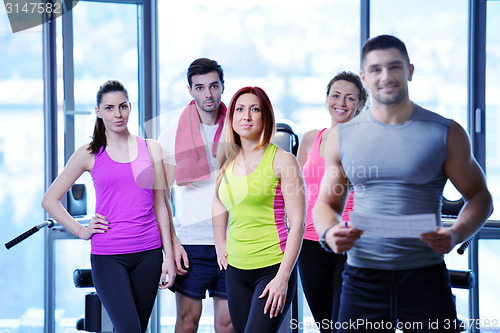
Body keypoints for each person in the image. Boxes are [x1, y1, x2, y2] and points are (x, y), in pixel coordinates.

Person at [313, 34, 493, 332]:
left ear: (409, 70)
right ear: (365, 77)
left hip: (424, 277)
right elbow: (326, 204)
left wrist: (455, 234)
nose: (385, 76)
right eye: (376, 69)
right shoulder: (342, 137)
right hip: (362, 277)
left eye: (394, 67)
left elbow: (480, 197)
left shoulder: (445, 132)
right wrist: (330, 232)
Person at [41, 80, 176, 333]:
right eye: (110, 108)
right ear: (98, 111)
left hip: (149, 253)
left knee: (137, 328)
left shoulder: (150, 148)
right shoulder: (90, 153)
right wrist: (81, 231)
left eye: (123, 106)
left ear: (130, 107)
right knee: (129, 329)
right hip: (108, 256)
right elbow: (49, 199)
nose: (118, 114)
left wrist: (168, 254)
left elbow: (161, 204)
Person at [213, 86, 305, 333]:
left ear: (266, 116)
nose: (246, 116)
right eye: (240, 109)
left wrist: (283, 278)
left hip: (272, 267)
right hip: (236, 270)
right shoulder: (227, 162)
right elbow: (219, 201)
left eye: (255, 109)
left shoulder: (283, 160)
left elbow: (298, 224)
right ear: (231, 117)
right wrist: (219, 241)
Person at [157, 58, 234, 333]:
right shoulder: (172, 135)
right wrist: (172, 244)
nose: (208, 94)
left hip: (232, 239)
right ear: (190, 90)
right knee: (187, 322)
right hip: (191, 243)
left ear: (223, 87)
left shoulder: (238, 130)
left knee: (227, 324)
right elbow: (162, 198)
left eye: (213, 86)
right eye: (200, 88)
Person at [296, 71, 367, 333]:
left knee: (345, 326)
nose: (342, 103)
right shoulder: (310, 139)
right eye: (336, 95)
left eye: (350, 98)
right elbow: (295, 191)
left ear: (360, 103)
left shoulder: (365, 142)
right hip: (310, 243)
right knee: (325, 325)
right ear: (327, 99)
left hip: (349, 243)